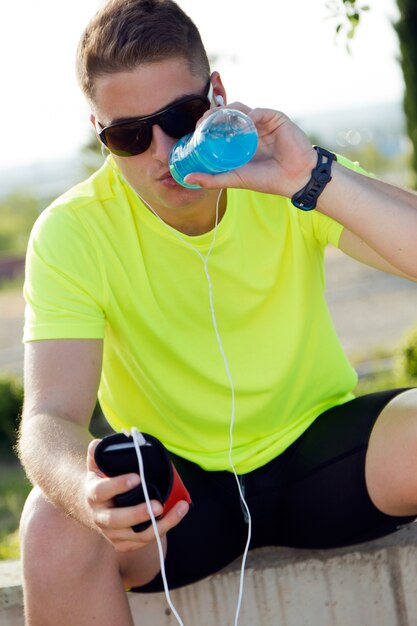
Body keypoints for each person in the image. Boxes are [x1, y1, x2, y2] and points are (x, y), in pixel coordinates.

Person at [17, 0, 417, 624]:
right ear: (98, 130)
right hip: (181, 500)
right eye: (128, 134)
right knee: (49, 520)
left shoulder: (283, 174)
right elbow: (48, 419)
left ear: (217, 96)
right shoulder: (72, 231)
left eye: (180, 116)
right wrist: (82, 491)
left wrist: (309, 178)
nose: (161, 150)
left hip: (322, 454)